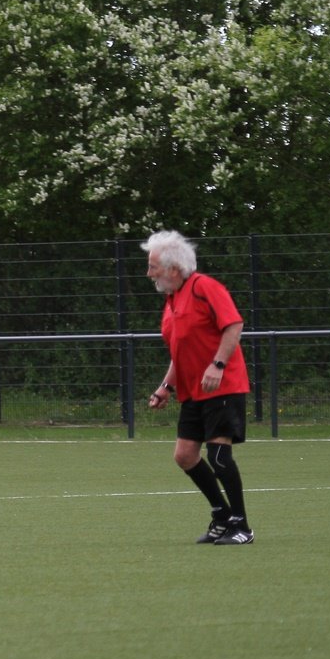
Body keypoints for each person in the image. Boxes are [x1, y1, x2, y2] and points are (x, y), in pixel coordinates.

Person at [143, 230, 254, 545]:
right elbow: (181, 352)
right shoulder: (172, 300)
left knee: (218, 456)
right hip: (193, 391)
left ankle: (242, 526)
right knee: (185, 455)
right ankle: (222, 516)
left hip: (222, 386)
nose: (149, 273)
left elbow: (233, 324)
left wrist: (218, 365)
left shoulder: (204, 287)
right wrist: (166, 387)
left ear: (173, 268)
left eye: (153, 267)